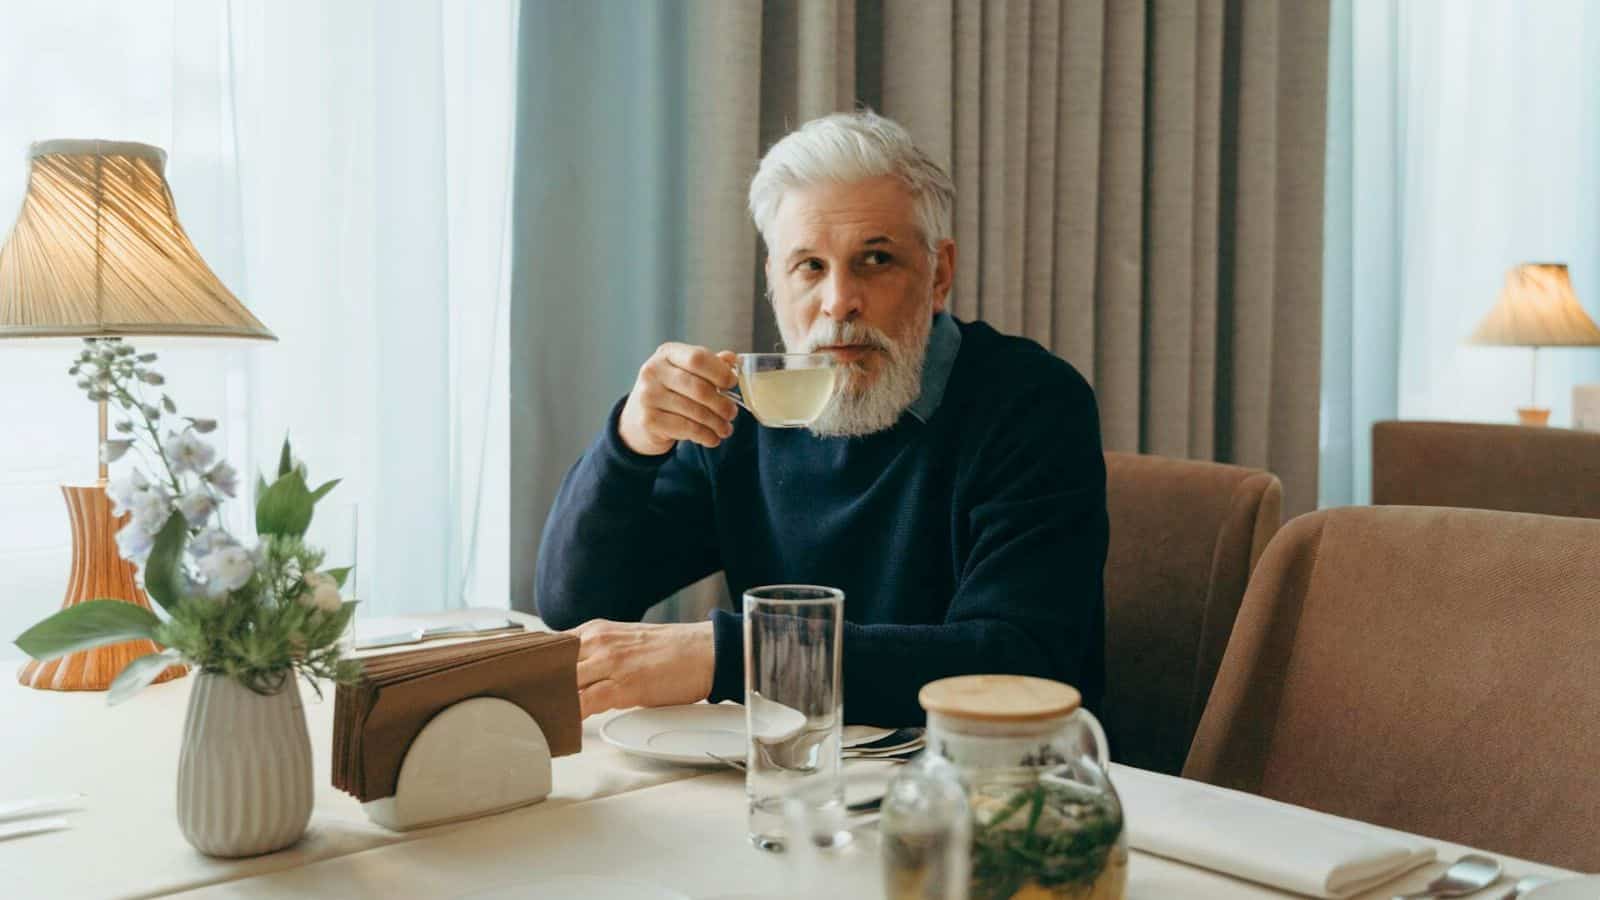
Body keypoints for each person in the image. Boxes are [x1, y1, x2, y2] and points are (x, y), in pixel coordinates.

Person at [536, 110, 1107, 726]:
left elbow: (1018, 663)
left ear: (939, 275)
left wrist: (735, 656)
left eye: (876, 259)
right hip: (793, 775)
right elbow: (572, 604)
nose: (838, 302)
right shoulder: (746, 410)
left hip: (980, 788)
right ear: (773, 283)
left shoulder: (1031, 404)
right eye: (810, 266)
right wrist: (631, 442)